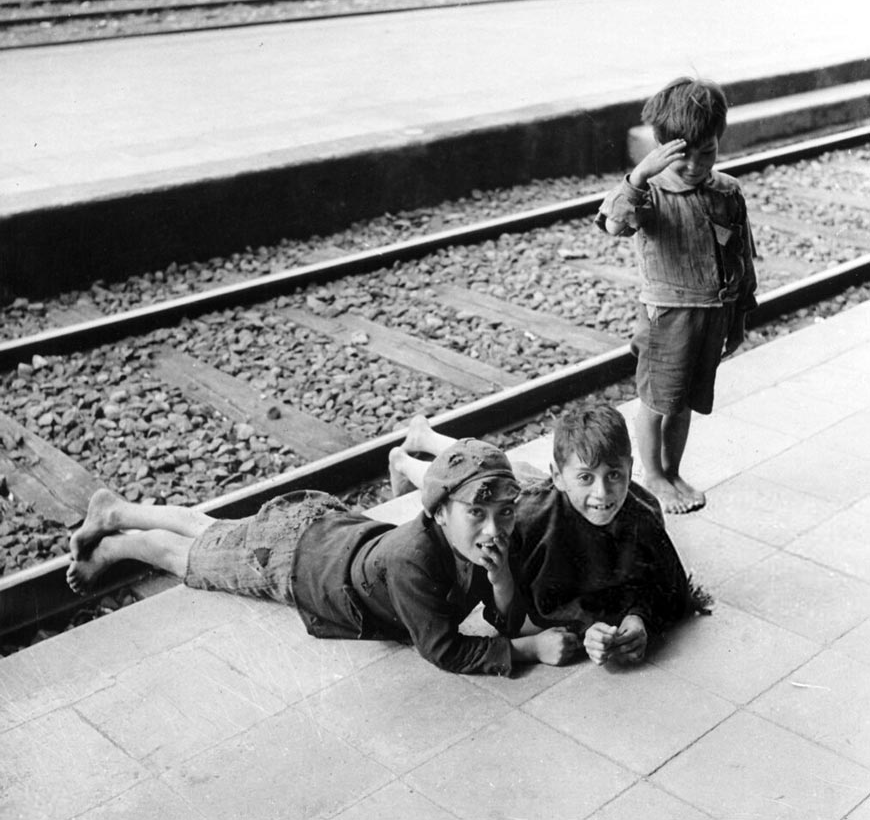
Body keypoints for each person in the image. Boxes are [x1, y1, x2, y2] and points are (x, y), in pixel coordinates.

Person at [67, 439, 578, 676]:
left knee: (214, 533)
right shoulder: (413, 558)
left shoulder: (484, 541)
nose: (496, 529)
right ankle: (117, 541)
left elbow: (503, 616)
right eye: (478, 513)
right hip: (294, 557)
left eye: (506, 512)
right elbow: (442, 649)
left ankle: (116, 510)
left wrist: (504, 576)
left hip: (331, 529)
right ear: (440, 512)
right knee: (195, 561)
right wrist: (528, 651)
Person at [390, 408, 710, 667]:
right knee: (466, 478)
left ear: (629, 469)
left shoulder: (642, 510)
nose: (602, 493)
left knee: (491, 464)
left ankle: (425, 435)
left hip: (559, 491)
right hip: (527, 494)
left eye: (614, 475)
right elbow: (515, 610)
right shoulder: (522, 521)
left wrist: (638, 618)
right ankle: (404, 462)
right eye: (587, 477)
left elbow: (667, 586)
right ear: (559, 476)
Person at [595, 76, 757, 515]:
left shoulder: (727, 191)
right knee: (655, 401)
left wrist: (741, 314)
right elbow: (613, 224)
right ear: (661, 148)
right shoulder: (648, 193)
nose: (694, 166)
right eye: (682, 157)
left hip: (713, 314)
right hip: (667, 317)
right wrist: (639, 175)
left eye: (707, 153)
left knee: (684, 402)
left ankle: (672, 470)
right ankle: (653, 476)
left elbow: (743, 257)